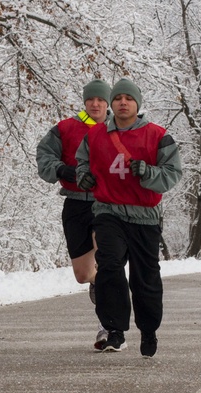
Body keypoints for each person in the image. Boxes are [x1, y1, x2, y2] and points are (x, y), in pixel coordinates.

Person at [74, 78, 182, 357]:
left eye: (129, 98)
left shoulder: (158, 135)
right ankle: (115, 329)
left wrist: (148, 172)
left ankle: (148, 329)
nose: (123, 102)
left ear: (137, 104)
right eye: (118, 98)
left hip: (145, 215)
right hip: (108, 210)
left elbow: (172, 175)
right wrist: (83, 177)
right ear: (112, 103)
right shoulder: (95, 135)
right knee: (109, 264)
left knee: (145, 276)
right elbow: (82, 162)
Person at [36, 78, 111, 349]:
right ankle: (97, 282)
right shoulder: (66, 128)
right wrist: (60, 169)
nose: (95, 104)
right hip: (76, 203)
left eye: (101, 100)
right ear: (84, 101)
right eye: (91, 99)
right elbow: (44, 154)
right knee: (83, 274)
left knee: (107, 259)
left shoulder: (120, 127)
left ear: (108, 102)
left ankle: (107, 325)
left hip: (108, 204)